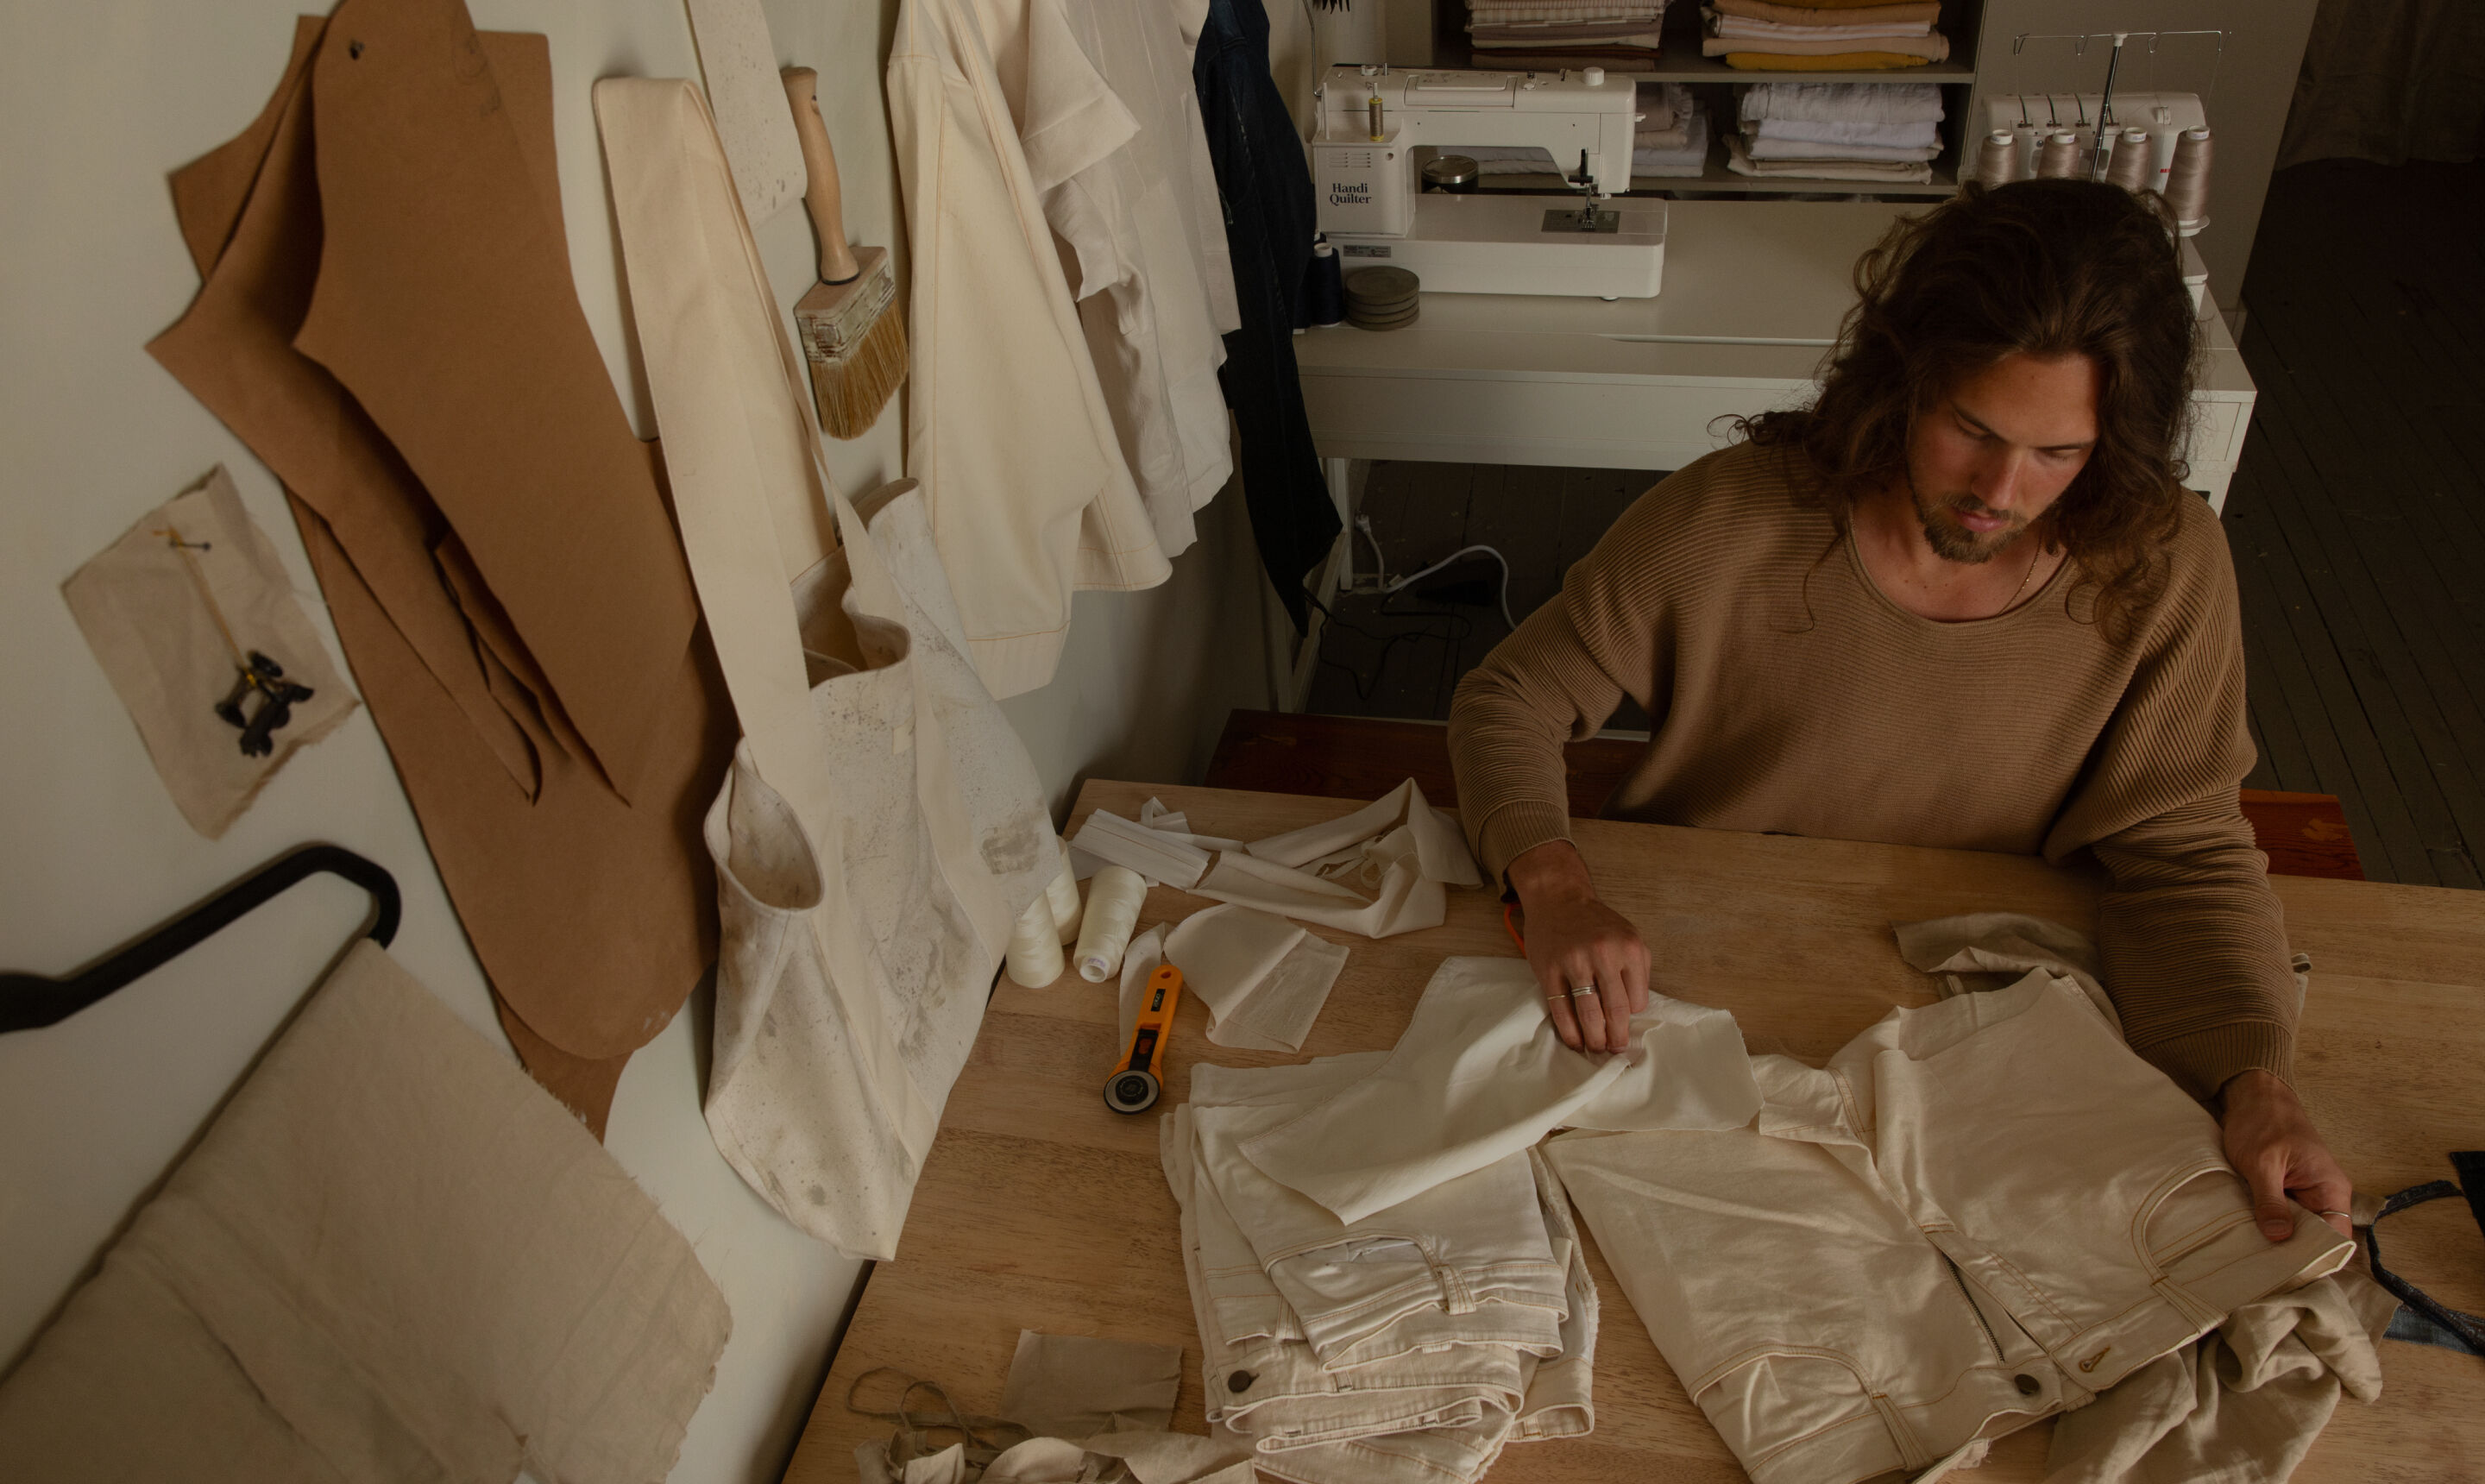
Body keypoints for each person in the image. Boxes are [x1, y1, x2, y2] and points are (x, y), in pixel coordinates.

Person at [1446, 178, 2351, 1246]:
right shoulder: (1731, 516)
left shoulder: (2165, 564)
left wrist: (2257, 1082)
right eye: (1972, 428)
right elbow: (1509, 696)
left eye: (2059, 453)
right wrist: (1551, 882)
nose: (2001, 490)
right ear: (1902, 378)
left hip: (1990, 1031)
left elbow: (2187, 848)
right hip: (1702, 990)